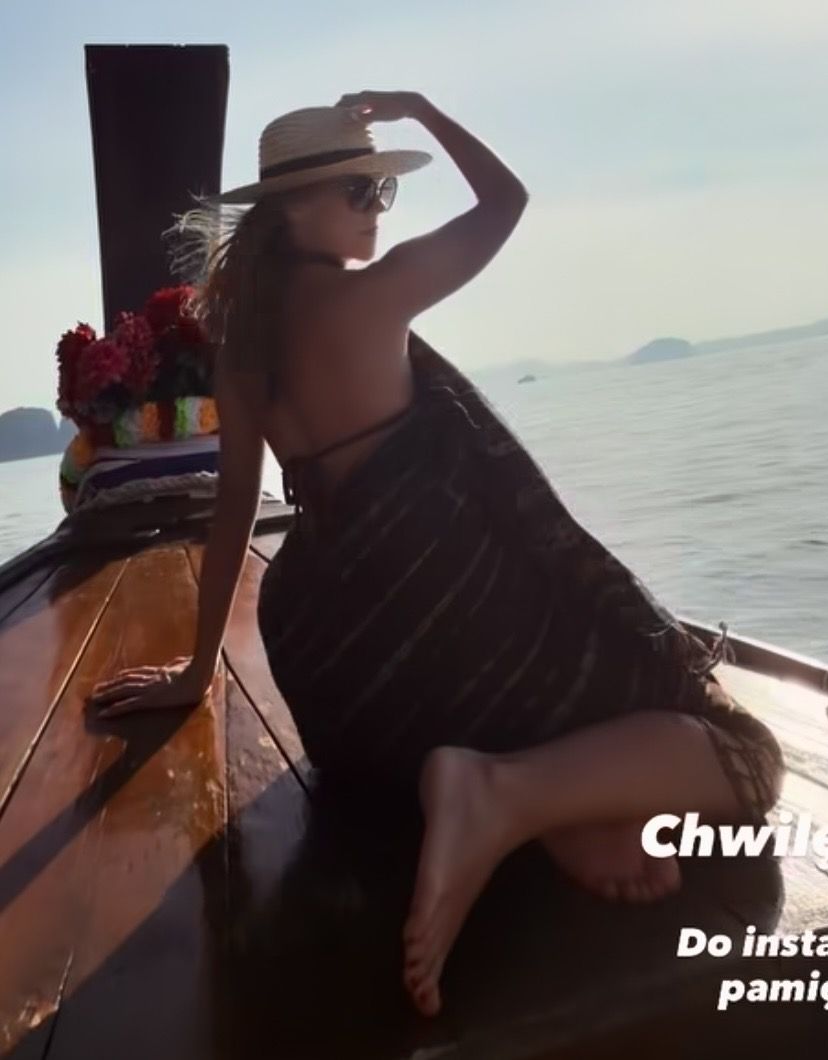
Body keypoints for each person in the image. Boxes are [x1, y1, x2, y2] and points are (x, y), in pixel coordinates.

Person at [83, 91, 785, 1018]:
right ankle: (508, 795)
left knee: (503, 714)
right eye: (360, 189)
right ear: (292, 209)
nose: (379, 206)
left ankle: (539, 807)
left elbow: (236, 511)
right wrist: (421, 111)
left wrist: (197, 669)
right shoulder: (377, 292)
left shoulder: (238, 345)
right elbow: (506, 201)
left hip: (339, 677)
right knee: (747, 756)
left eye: (384, 188)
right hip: (443, 612)